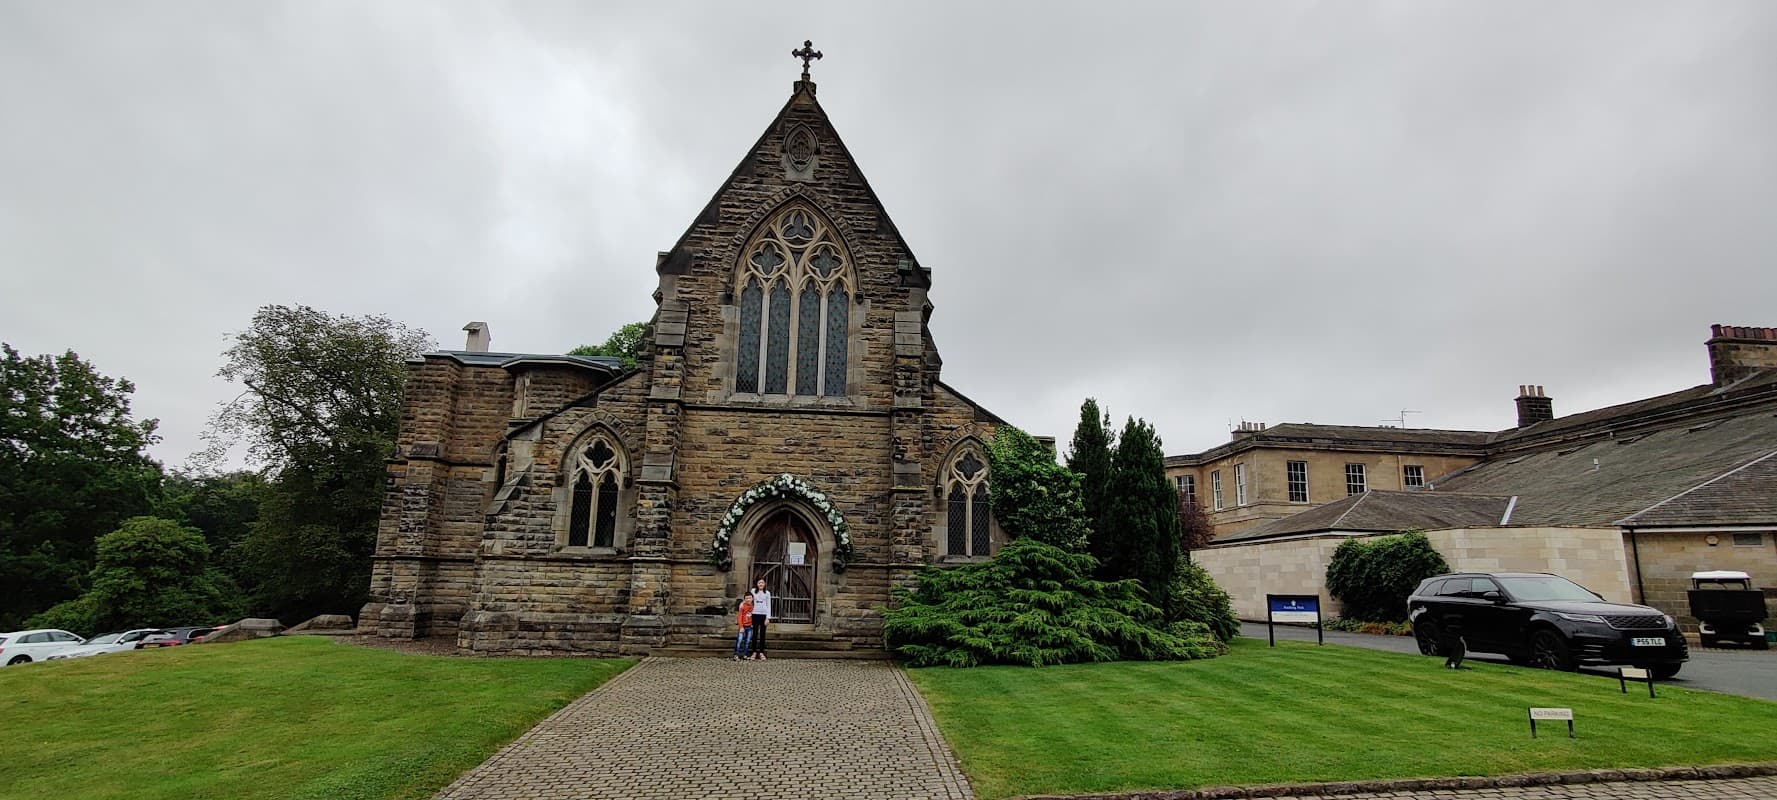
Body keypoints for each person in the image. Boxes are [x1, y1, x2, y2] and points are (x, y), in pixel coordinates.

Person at [749, 577, 772, 660]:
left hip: (763, 615)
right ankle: (754, 652)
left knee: (762, 634)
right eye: (759, 583)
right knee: (754, 634)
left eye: (762, 583)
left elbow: (768, 605)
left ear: (765, 584)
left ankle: (761, 652)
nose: (761, 584)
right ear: (757, 584)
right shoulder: (753, 591)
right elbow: (749, 602)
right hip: (755, 614)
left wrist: (768, 618)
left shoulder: (767, 593)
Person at [733, 592, 754, 661]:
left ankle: (744, 654)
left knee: (747, 641)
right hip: (743, 626)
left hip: (749, 626)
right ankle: (736, 655)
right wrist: (741, 626)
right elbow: (739, 617)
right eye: (746, 598)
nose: (748, 599)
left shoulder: (753, 606)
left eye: (750, 598)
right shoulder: (742, 606)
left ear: (752, 599)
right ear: (744, 599)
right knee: (739, 640)